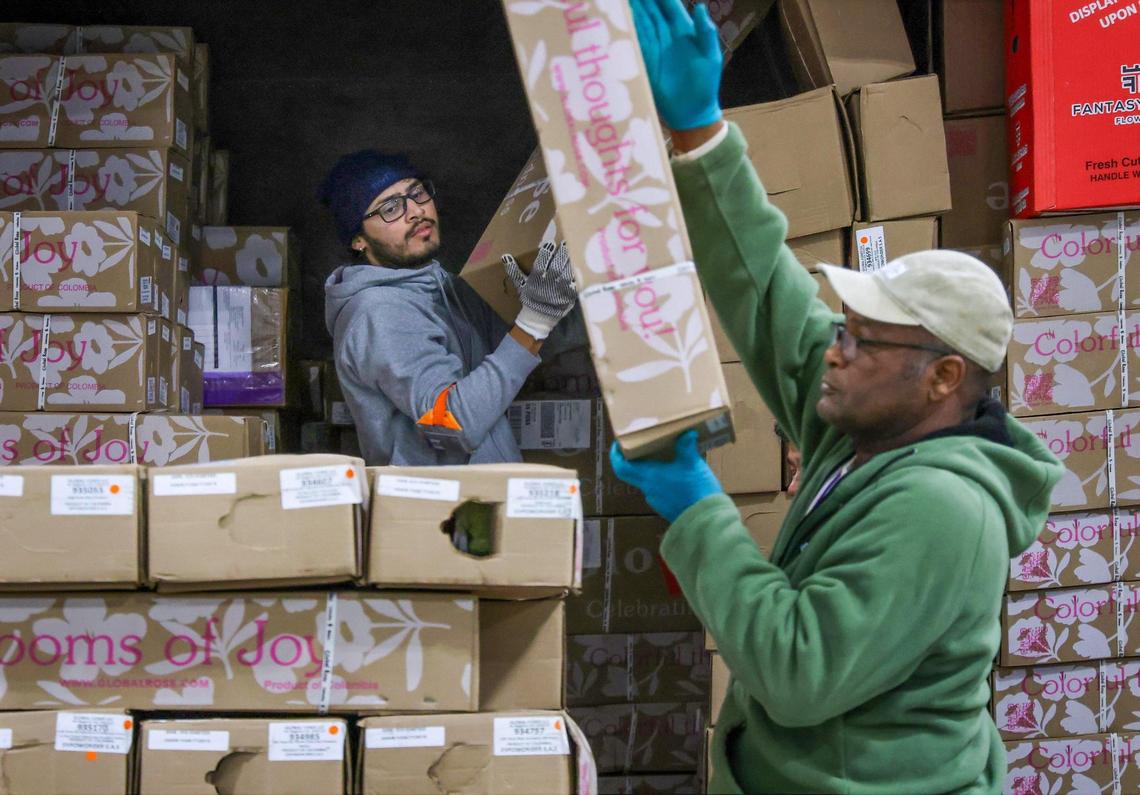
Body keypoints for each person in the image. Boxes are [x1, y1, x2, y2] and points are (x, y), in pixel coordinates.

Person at [609, 2, 1065, 792]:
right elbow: (763, 287)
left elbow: (796, 668)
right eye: (842, 328)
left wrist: (698, 505)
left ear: (943, 376)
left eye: (860, 338)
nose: (834, 349)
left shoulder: (941, 508)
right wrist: (699, 131)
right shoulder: (868, 430)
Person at [320, 150, 579, 466]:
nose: (415, 211)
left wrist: (552, 302)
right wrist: (534, 321)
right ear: (358, 240)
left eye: (417, 193)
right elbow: (454, 424)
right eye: (390, 208)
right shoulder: (379, 314)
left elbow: (525, 350)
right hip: (441, 511)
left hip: (487, 499)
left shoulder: (445, 290)